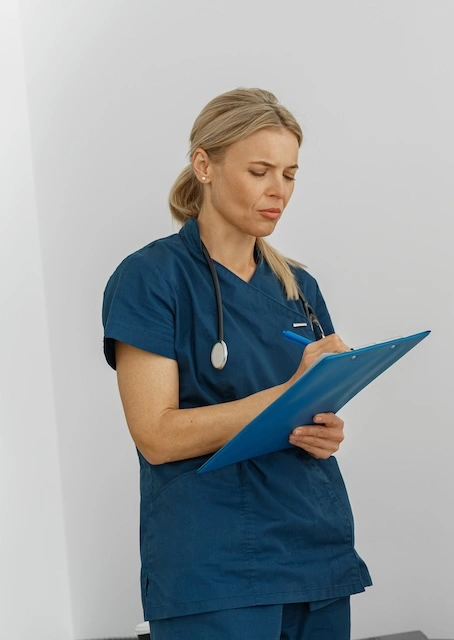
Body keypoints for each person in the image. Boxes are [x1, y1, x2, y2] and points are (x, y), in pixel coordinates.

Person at [102, 88, 371, 639]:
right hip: (216, 566)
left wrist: (323, 428)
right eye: (260, 171)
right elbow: (156, 435)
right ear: (204, 164)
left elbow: (308, 411)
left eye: (290, 174)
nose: (279, 191)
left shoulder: (298, 286)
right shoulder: (152, 279)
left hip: (313, 549)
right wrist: (286, 395)